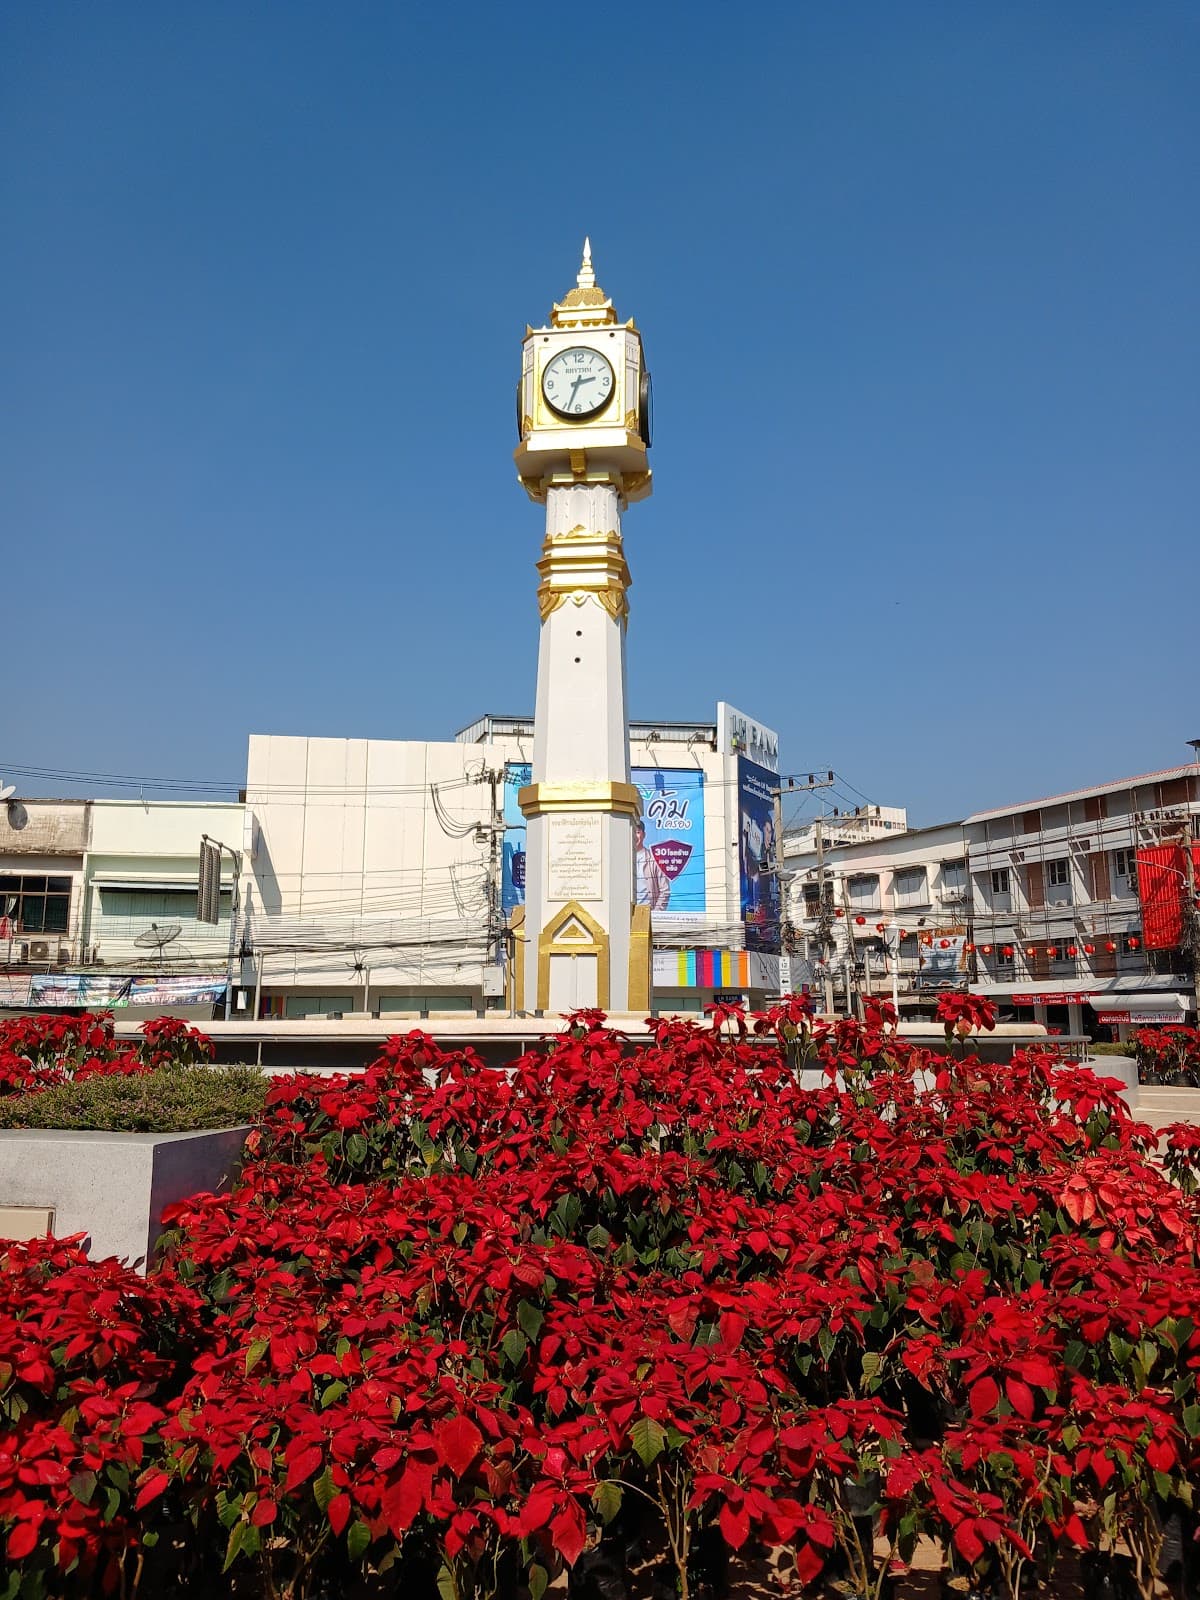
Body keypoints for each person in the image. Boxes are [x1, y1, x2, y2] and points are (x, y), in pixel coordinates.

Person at [635, 820, 671, 909]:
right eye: (632, 832)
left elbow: (665, 891)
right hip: (624, 915)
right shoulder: (621, 858)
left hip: (647, 913)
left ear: (644, 835)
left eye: (638, 832)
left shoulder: (654, 859)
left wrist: (655, 913)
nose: (635, 836)